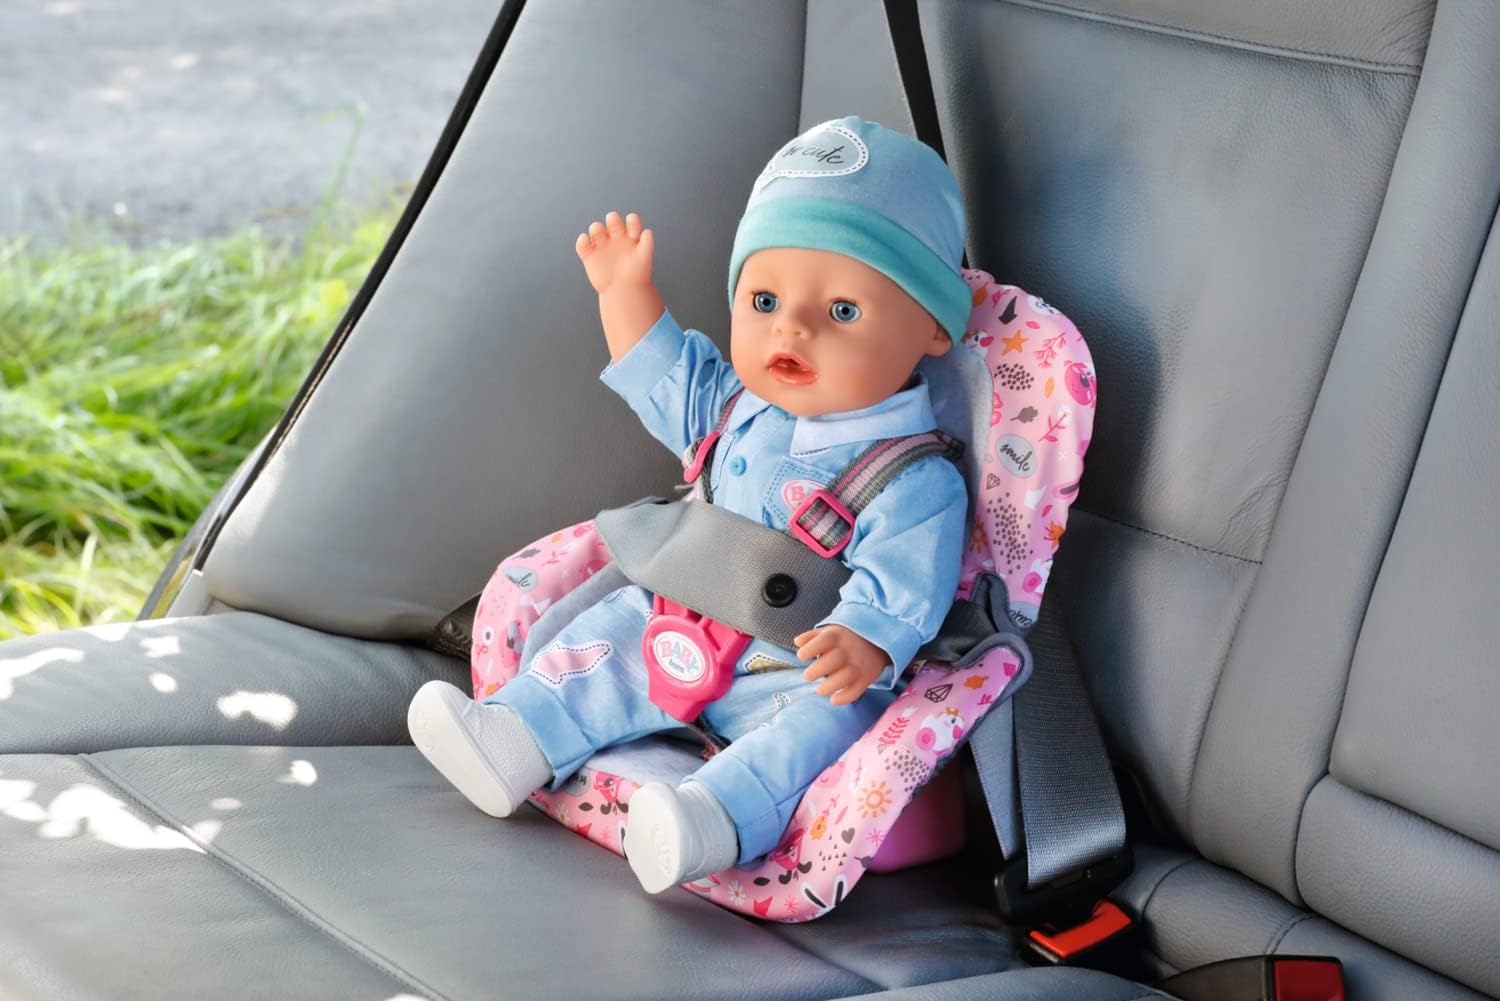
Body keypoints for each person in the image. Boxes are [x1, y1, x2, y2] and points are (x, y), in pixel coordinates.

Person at [408, 116, 972, 894]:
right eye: (765, 299)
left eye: (843, 311)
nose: (792, 326)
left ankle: (711, 818)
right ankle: (514, 738)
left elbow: (906, 582)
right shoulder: (731, 403)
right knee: (603, 642)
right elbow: (661, 369)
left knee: (820, 728)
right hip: (675, 621)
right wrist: (625, 293)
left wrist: (866, 639)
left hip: (794, 667)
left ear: (933, 327)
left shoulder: (912, 475)